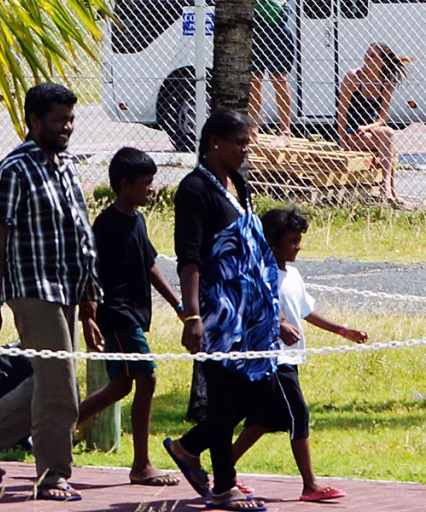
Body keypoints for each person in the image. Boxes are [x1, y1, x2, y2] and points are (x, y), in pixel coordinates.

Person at [0, 82, 103, 502]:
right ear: (34, 120)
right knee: (61, 387)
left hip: (69, 291)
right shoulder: (13, 169)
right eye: (59, 120)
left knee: (50, 380)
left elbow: (82, 236)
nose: (68, 127)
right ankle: (53, 475)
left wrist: (90, 300)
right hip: (32, 291)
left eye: (71, 119)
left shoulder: (68, 164)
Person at [162, 109, 279, 511]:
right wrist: (191, 316)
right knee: (225, 400)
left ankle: (188, 448)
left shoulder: (239, 183)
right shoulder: (194, 190)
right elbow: (189, 258)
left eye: (247, 143)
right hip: (218, 314)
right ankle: (223, 487)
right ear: (215, 142)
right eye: (239, 143)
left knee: (260, 398)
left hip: (252, 317)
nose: (245, 151)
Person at [231, 206, 368, 502]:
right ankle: (310, 485)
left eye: (298, 239)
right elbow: (257, 309)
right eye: (292, 240)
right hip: (273, 358)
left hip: (290, 358)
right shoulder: (260, 274)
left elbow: (306, 312)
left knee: (263, 419)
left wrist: (343, 331)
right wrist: (279, 325)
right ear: (273, 242)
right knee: (299, 415)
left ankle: (222, 471)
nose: (298, 246)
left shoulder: (291, 273)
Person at [75, 147, 181, 488]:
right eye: (146, 182)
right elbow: (88, 271)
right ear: (125, 184)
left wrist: (179, 304)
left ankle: (55, 428)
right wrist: (88, 314)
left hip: (134, 312)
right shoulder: (106, 224)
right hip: (116, 314)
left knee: (121, 385)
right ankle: (141, 464)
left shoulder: (138, 219)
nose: (152, 188)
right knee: (146, 377)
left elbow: (149, 263)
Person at [337, 43, 411, 209]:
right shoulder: (354, 77)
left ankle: (388, 191)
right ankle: (390, 191)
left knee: (388, 134)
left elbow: (381, 118)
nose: (367, 59)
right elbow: (342, 111)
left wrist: (368, 128)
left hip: (370, 131)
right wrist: (342, 140)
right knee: (388, 139)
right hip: (352, 132)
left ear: (383, 62)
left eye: (373, 57)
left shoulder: (385, 82)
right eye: (367, 54)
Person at [249, 0, 295, 146]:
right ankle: (253, 130)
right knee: (254, 78)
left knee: (278, 77)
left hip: (275, 20)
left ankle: (285, 131)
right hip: (253, 23)